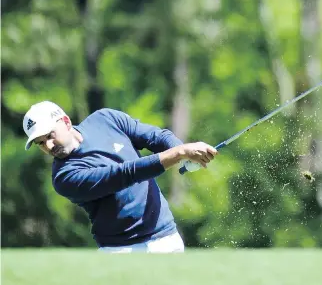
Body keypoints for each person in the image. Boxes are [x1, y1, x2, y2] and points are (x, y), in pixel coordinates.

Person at [23, 101, 218, 253]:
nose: (48, 146)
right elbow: (125, 174)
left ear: (66, 122)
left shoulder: (105, 119)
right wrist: (180, 153)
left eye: (49, 135)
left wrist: (183, 151)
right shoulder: (64, 177)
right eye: (40, 143)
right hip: (121, 250)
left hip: (167, 236)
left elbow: (156, 136)